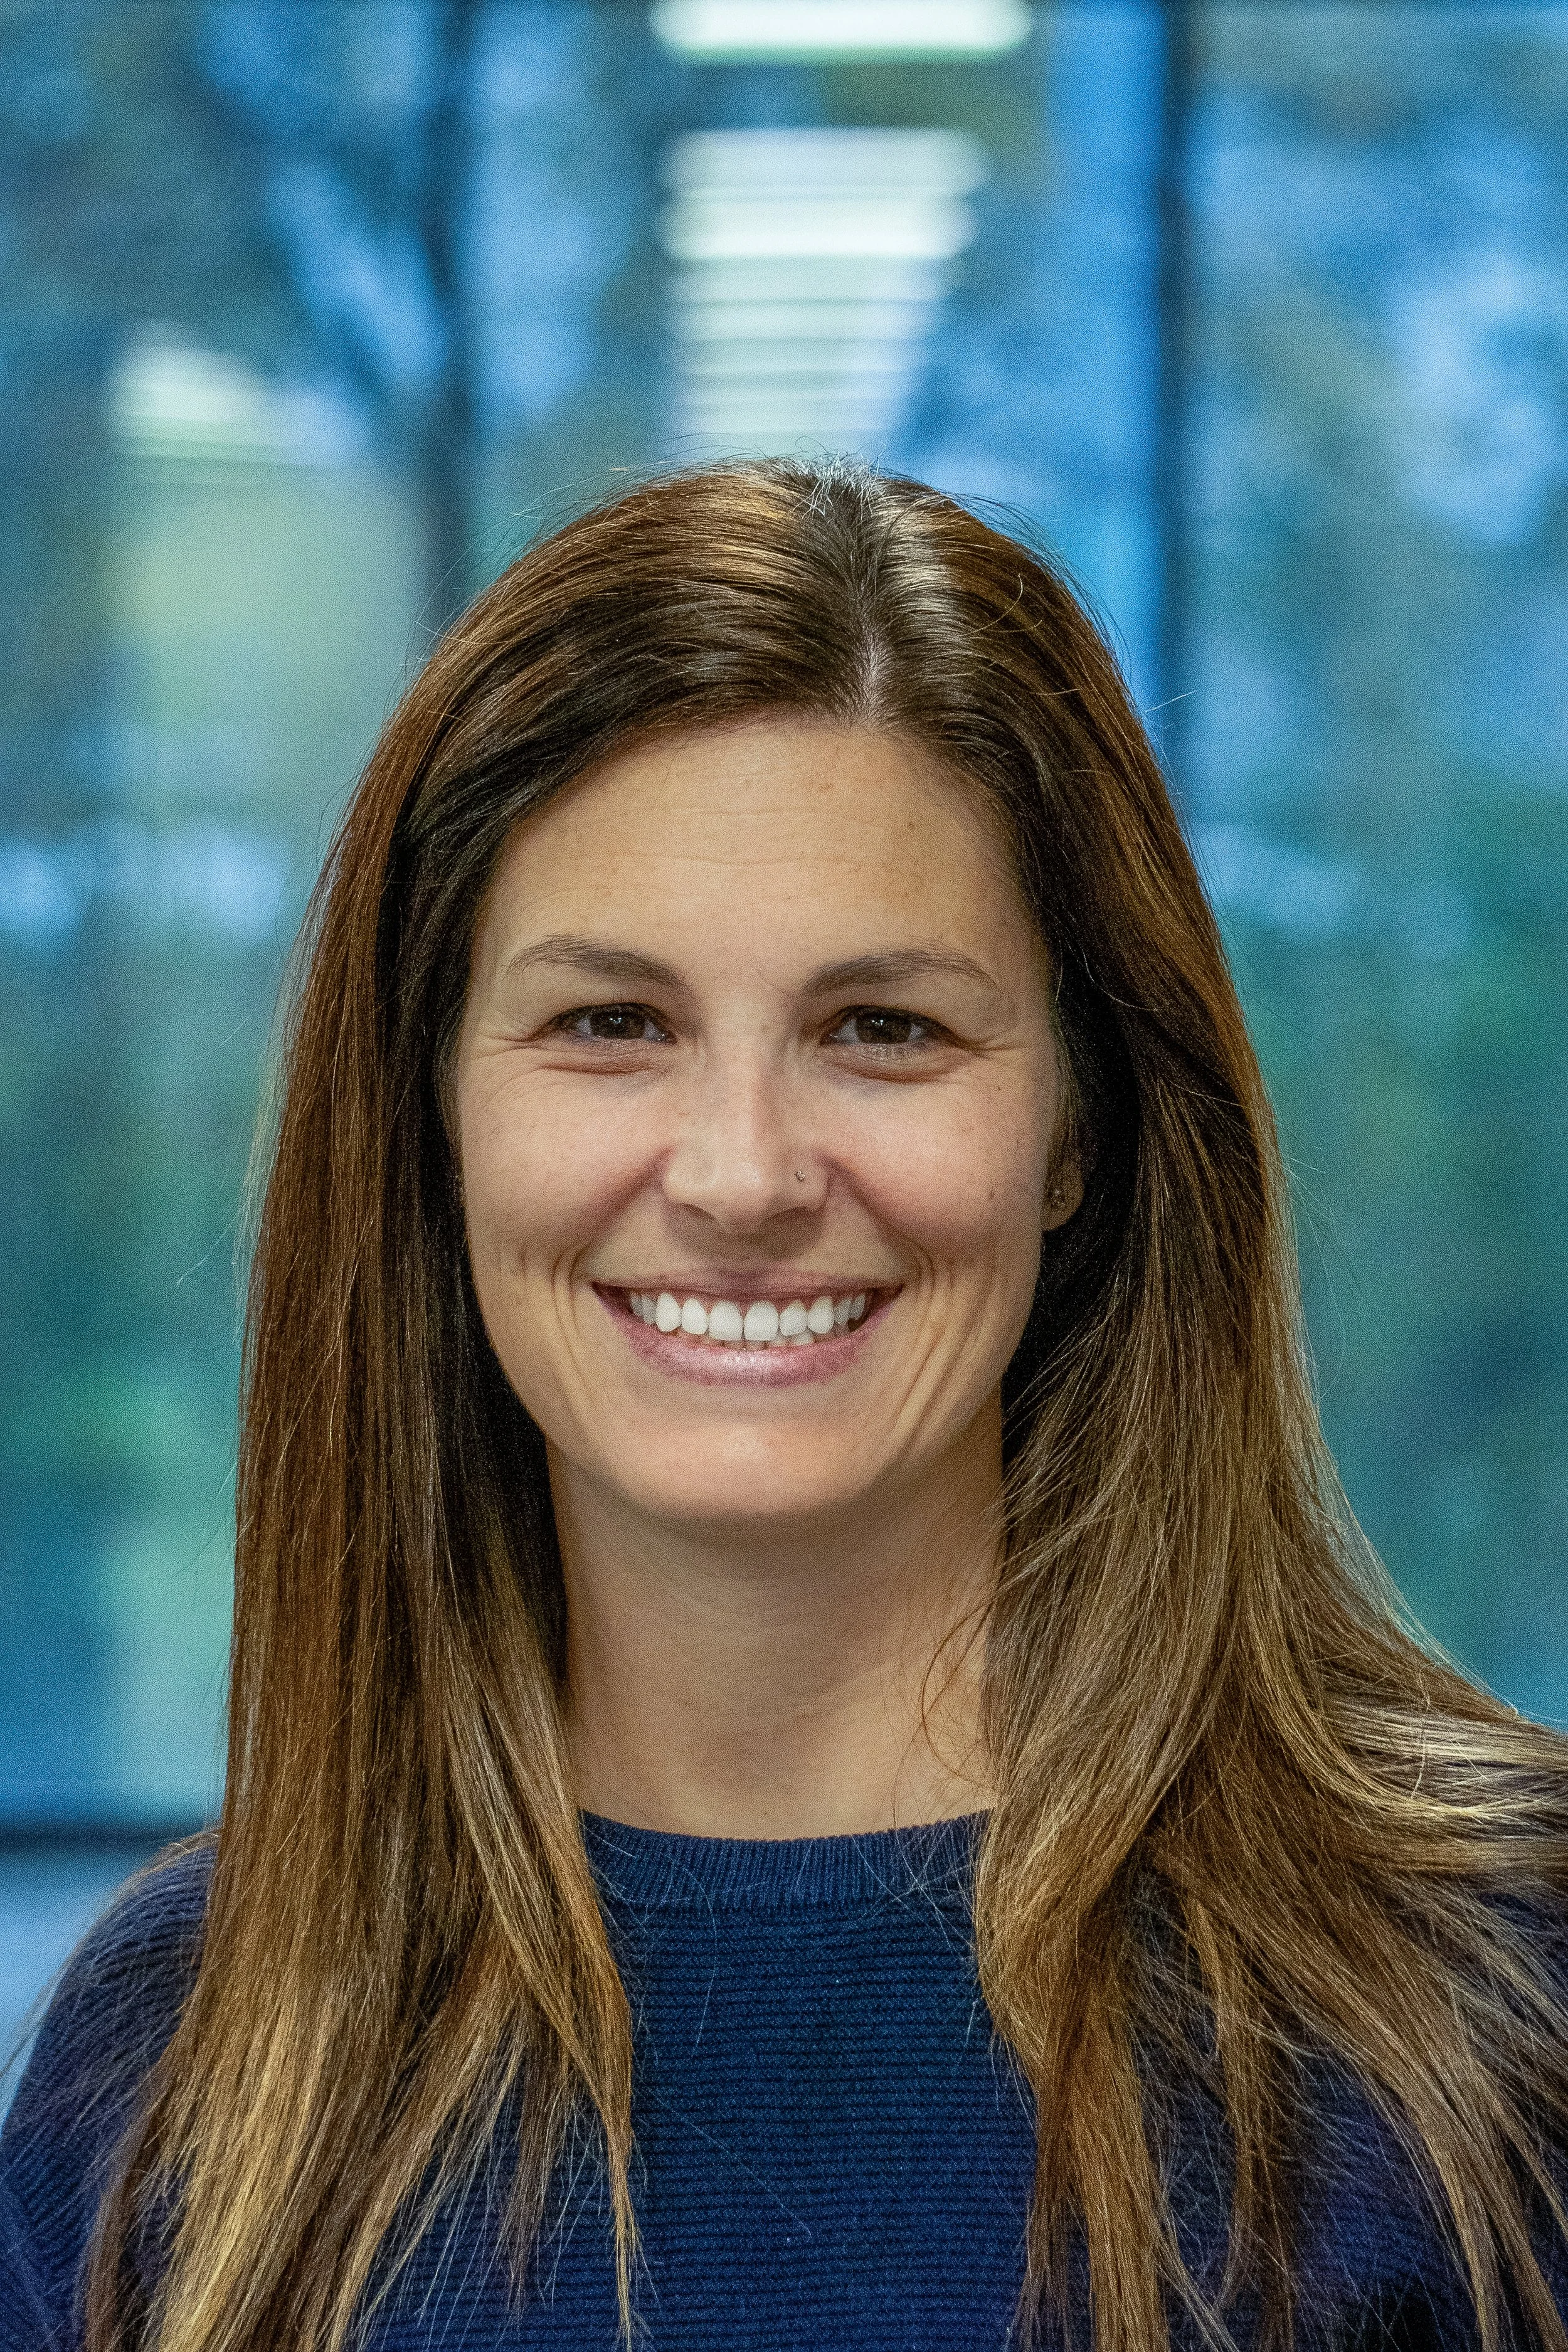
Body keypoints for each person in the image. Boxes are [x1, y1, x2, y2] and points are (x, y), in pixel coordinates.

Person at [3, 461, 1567, 2352]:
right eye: (610, 1024)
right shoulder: (189, 2047)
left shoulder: (1487, 1999)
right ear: (431, 1119)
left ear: (1077, 1123)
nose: (740, 1175)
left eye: (883, 1029)